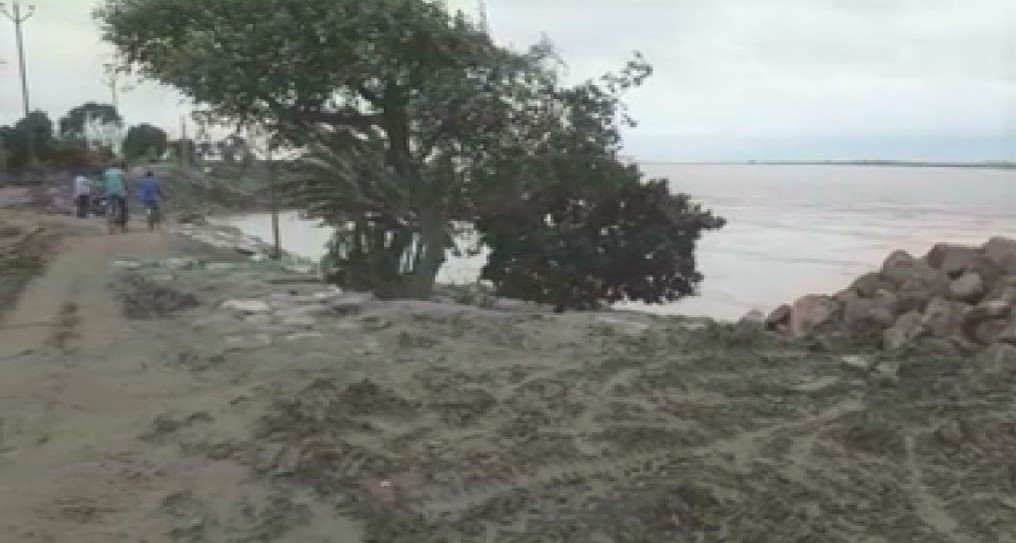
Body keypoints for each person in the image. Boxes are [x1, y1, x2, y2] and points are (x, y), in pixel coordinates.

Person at [102, 161, 129, 232]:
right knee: (121, 207)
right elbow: (125, 182)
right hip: (120, 192)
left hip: (109, 192)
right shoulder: (121, 172)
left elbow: (104, 184)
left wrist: (104, 191)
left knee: (109, 207)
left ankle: (110, 226)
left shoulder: (106, 173)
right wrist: (127, 190)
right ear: (117, 166)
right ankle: (121, 226)